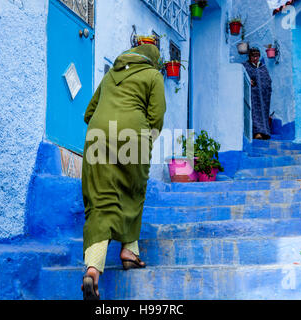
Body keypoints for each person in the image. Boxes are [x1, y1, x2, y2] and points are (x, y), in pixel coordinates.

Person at [80, 44, 166, 300]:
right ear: (153, 60)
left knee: (101, 199)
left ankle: (93, 268)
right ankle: (129, 251)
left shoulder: (110, 74)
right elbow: (156, 116)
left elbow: (88, 112)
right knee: (132, 189)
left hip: (98, 134)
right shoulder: (153, 76)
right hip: (133, 135)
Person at [242, 47, 273, 140]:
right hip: (252, 95)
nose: (255, 58)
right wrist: (249, 81)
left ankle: (265, 132)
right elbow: (243, 78)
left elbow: (268, 80)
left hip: (263, 97)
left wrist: (265, 87)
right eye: (253, 56)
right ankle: (257, 133)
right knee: (254, 113)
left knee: (264, 113)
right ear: (249, 57)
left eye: (257, 56)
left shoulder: (263, 67)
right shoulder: (245, 66)